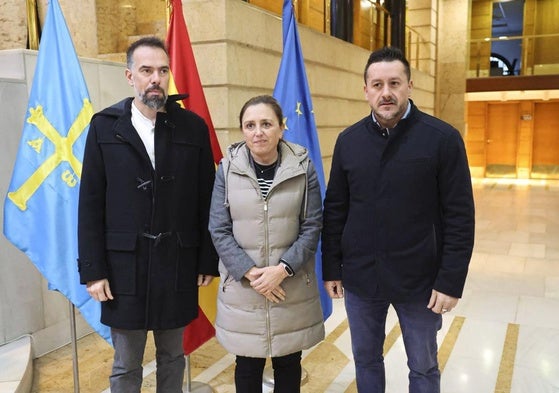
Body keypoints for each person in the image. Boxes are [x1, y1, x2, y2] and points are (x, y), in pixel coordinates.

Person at [321, 46, 475, 393]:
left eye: (394, 83)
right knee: (365, 360)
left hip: (421, 281)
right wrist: (331, 267)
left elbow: (460, 216)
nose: (385, 92)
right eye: (377, 85)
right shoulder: (349, 141)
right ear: (365, 90)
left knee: (422, 366)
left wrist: (451, 280)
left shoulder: (442, 139)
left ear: (409, 86)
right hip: (362, 277)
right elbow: (335, 210)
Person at [77, 36, 218, 392]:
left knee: (173, 356)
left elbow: (207, 199)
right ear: (130, 76)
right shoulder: (104, 126)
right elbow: (90, 202)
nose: (156, 78)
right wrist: (94, 271)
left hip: (177, 262)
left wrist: (206, 259)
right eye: (146, 70)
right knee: (126, 364)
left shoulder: (193, 128)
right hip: (125, 265)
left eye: (162, 70)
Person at [208, 95, 325, 392]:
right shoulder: (227, 169)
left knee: (289, 364)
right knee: (247, 366)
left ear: (281, 127)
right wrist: (251, 273)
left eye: (266, 124)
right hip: (244, 288)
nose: (258, 132)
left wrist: (281, 270)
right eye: (250, 125)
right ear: (242, 130)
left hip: (290, 286)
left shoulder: (302, 167)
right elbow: (218, 228)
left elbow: (312, 225)